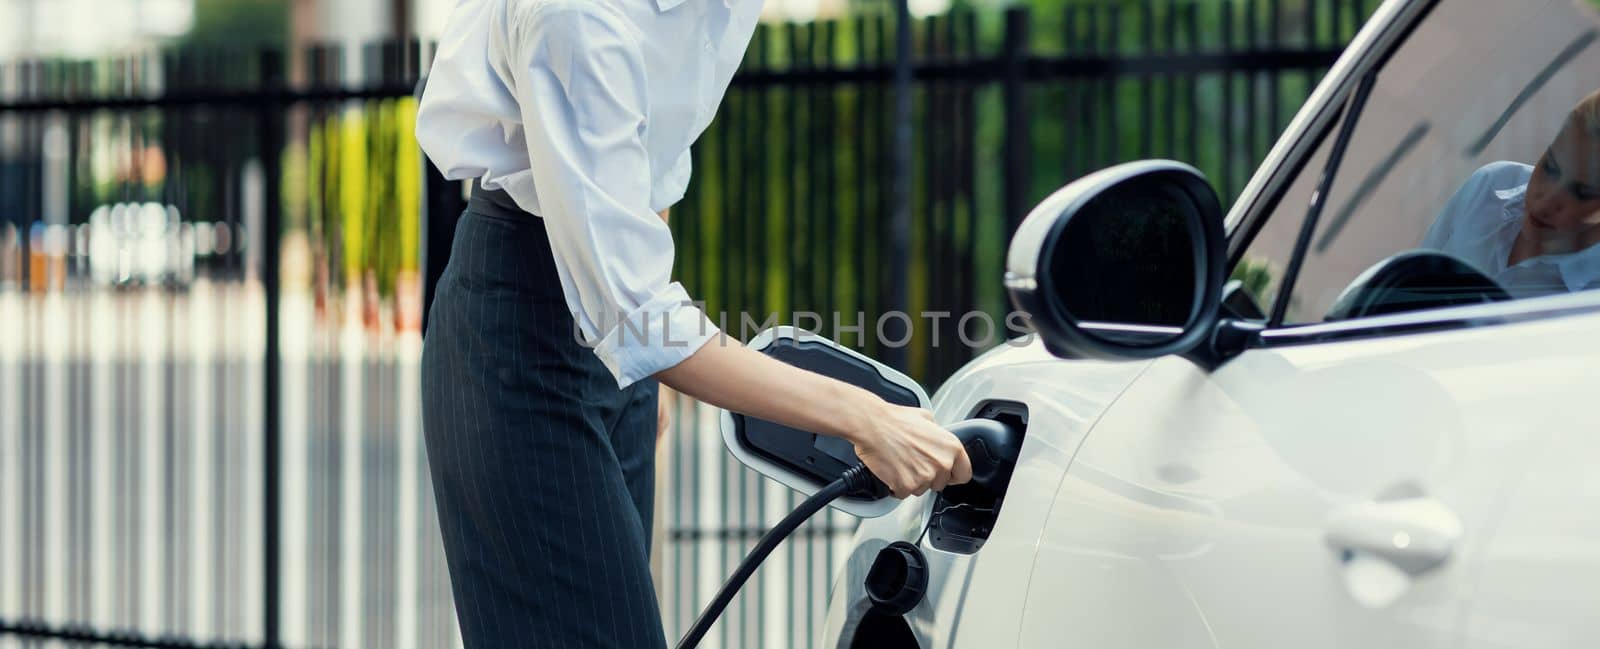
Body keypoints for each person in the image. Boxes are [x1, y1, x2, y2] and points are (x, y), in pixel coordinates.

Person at [413, 1, 973, 647]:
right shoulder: (576, 15)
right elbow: (638, 321)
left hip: (605, 314)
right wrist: (862, 416)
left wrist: (655, 375)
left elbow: (649, 171)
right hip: (517, 326)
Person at [1423, 90, 1600, 296]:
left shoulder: (1590, 303)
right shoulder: (1490, 186)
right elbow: (1404, 279)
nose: (1545, 202)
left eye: (1581, 192)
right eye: (1550, 167)